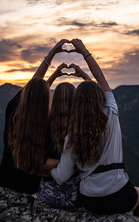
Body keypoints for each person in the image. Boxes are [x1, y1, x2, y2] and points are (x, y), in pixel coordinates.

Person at [50, 39, 139, 222]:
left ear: (77, 103)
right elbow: (101, 81)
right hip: (119, 194)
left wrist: (47, 168)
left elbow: (61, 176)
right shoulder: (111, 115)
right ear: (101, 100)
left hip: (90, 200)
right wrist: (84, 52)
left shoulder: (72, 135)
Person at [0, 39, 69, 194]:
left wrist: (51, 55)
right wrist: (69, 163)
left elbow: (34, 86)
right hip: (30, 184)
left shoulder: (13, 110)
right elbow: (43, 162)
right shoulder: (46, 127)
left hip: (6, 177)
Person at [39, 64, 91, 208]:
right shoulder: (83, 127)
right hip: (77, 195)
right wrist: (85, 77)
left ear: (54, 100)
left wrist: (55, 74)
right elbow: (102, 99)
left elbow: (32, 96)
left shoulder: (43, 125)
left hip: (48, 194)